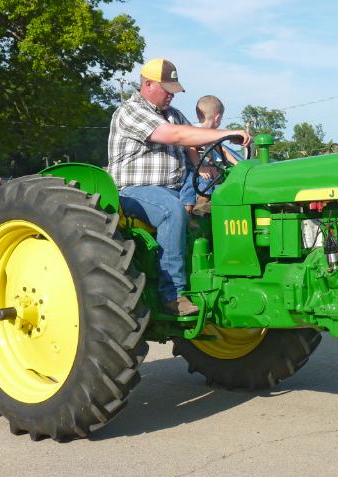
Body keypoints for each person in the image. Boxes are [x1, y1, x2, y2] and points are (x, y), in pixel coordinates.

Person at [107, 58, 251, 316]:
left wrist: (208, 165)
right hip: (134, 192)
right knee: (171, 210)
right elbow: (178, 136)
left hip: (176, 187)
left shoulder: (172, 114)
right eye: (167, 89)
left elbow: (191, 144)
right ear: (148, 85)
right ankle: (173, 294)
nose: (172, 95)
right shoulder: (130, 111)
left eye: (174, 90)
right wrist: (225, 132)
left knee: (226, 202)